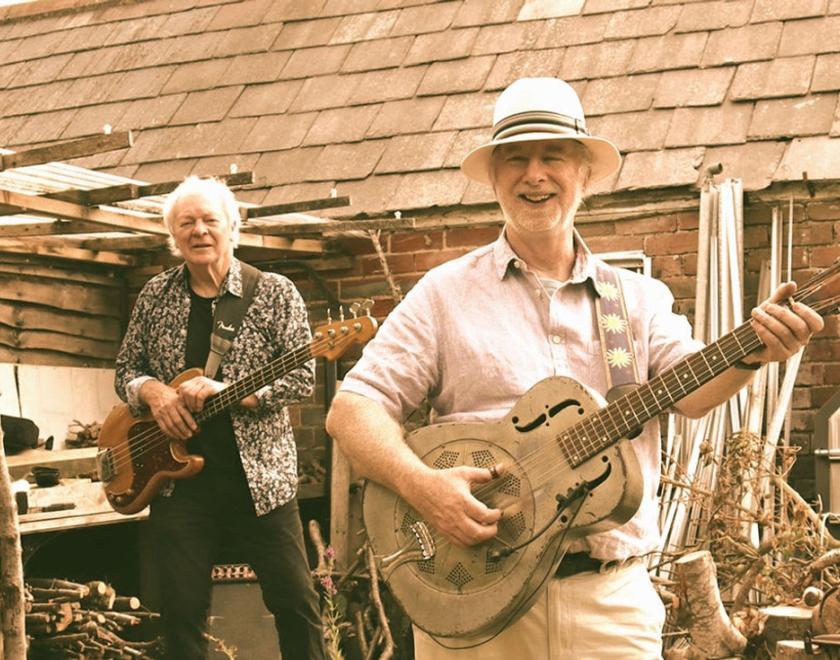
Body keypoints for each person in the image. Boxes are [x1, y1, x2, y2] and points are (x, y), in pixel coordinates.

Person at [325, 77, 824, 659]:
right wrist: (423, 486)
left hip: (609, 604)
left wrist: (755, 350)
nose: (534, 174)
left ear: (583, 173)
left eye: (552, 156)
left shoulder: (636, 299)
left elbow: (691, 390)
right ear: (494, 177)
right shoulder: (443, 294)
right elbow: (351, 409)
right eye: (516, 158)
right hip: (476, 600)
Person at [114, 176, 325, 659]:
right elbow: (126, 369)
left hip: (261, 481)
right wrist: (153, 394)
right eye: (186, 223)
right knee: (180, 613)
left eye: (210, 220)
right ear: (173, 236)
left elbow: (300, 380)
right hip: (178, 485)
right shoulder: (155, 295)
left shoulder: (275, 293)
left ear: (233, 226)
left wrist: (231, 392)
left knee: (296, 603)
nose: (199, 230)